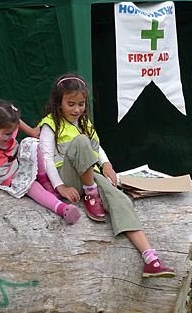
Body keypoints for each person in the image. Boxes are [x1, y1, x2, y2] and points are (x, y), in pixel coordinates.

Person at [37, 74, 175, 278]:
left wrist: (107, 164)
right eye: (71, 104)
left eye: (81, 104)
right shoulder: (50, 124)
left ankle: (151, 259)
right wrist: (61, 187)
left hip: (90, 175)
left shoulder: (83, 122)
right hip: (67, 177)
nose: (77, 109)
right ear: (58, 103)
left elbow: (97, 146)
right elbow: (47, 159)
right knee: (81, 142)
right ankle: (91, 193)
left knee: (121, 199)